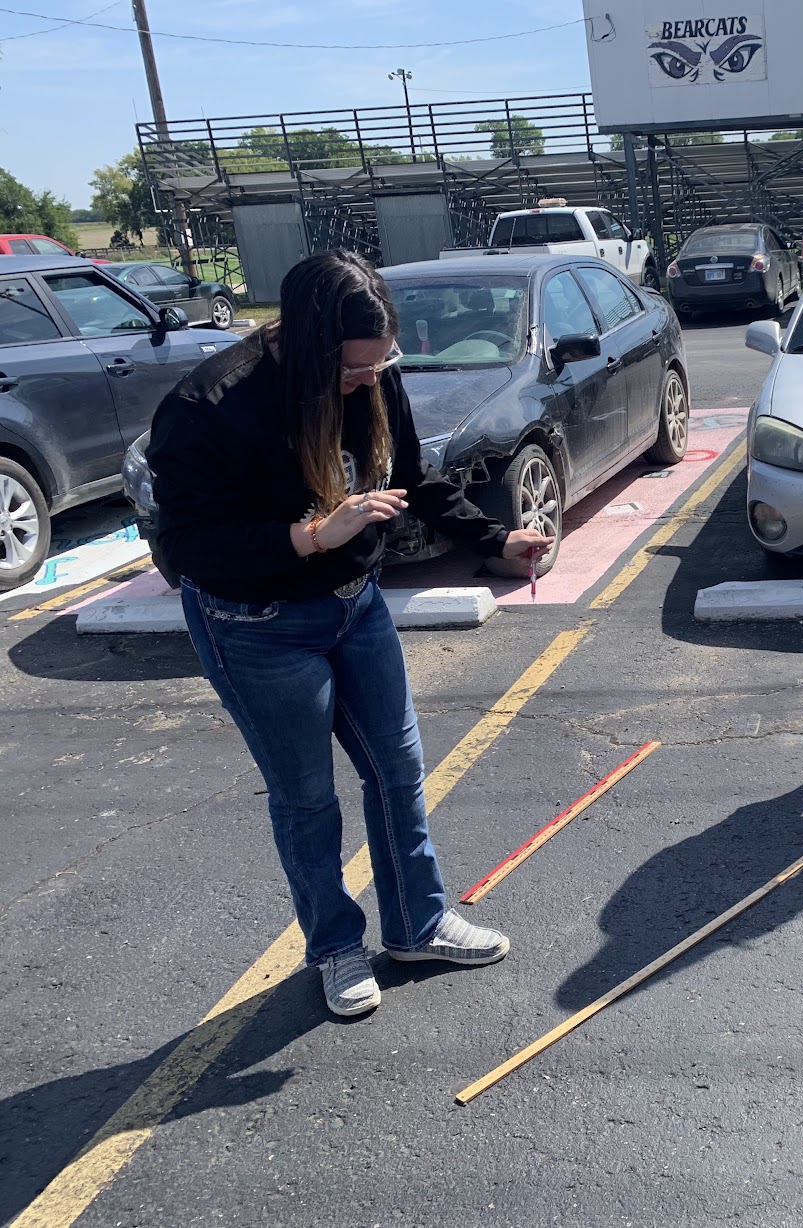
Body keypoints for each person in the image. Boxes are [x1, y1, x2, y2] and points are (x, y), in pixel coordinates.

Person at [147, 250, 552, 1018]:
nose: (369, 381)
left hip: (354, 604)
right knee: (306, 800)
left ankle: (416, 924)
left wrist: (493, 541)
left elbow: (414, 478)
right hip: (254, 623)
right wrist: (309, 537)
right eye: (354, 370)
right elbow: (188, 547)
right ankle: (334, 947)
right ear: (305, 346)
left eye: (379, 365)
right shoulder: (211, 405)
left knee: (398, 770)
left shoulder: (374, 376)